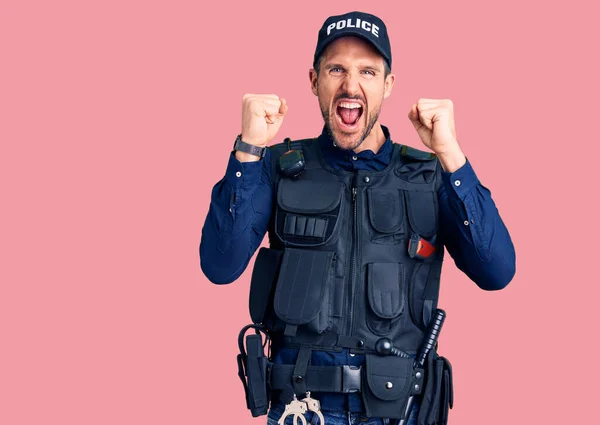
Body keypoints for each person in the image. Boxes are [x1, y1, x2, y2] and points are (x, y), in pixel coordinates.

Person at [200, 10, 516, 425]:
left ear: (388, 85)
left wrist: (452, 158)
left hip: (399, 409)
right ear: (314, 81)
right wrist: (249, 150)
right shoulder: (275, 165)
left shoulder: (428, 174)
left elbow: (497, 271)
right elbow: (219, 265)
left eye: (368, 71)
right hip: (302, 408)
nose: (351, 85)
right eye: (336, 69)